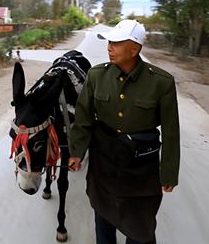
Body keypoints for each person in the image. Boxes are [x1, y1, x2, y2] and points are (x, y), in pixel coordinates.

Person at [68, 19, 180, 244]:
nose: (110, 47)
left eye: (117, 43)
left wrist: (168, 172)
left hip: (140, 166)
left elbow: (170, 132)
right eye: (109, 42)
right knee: (103, 217)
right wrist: (77, 151)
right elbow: (84, 117)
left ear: (135, 48)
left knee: (140, 227)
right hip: (104, 161)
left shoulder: (161, 82)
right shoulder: (97, 75)